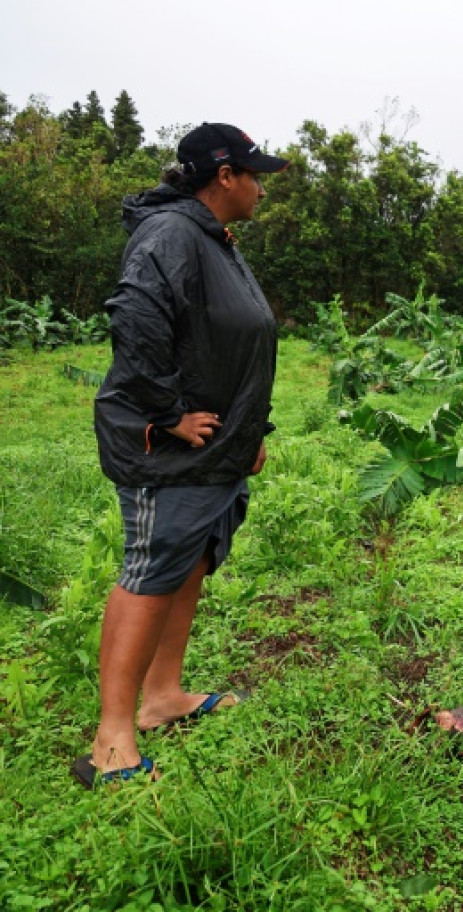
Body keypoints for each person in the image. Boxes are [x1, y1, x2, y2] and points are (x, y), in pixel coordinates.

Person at [71, 123, 288, 788]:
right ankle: (112, 741)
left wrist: (244, 436)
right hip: (166, 455)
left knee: (187, 564)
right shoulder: (170, 236)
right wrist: (168, 417)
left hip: (216, 455)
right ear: (223, 175)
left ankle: (163, 696)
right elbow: (136, 320)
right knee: (152, 569)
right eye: (255, 174)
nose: (260, 187)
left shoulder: (211, 239)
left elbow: (225, 341)